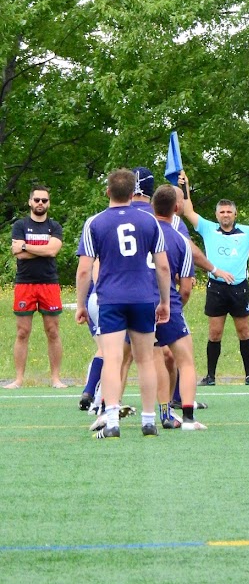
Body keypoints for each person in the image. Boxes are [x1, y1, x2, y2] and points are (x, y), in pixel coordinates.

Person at [75, 168, 171, 439]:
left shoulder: (94, 222)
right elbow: (162, 267)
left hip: (111, 299)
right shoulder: (149, 222)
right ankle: (149, 419)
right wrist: (164, 301)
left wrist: (81, 304)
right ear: (133, 194)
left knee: (113, 359)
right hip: (142, 297)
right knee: (145, 361)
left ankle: (113, 418)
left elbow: (84, 270)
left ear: (107, 192)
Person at [179, 171, 249, 386]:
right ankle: (210, 376)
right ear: (217, 214)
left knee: (244, 331)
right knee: (215, 333)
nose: (226, 215)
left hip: (239, 289)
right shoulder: (207, 228)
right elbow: (188, 210)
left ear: (235, 214)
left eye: (229, 211)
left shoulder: (247, 233)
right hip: (216, 288)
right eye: (222, 212)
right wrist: (185, 185)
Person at [151, 183, 206, 431]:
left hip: (139, 301)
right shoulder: (180, 241)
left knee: (147, 358)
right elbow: (185, 288)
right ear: (176, 208)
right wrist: (175, 306)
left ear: (153, 205)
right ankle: (188, 417)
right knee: (185, 360)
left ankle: (110, 410)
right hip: (168, 304)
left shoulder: (143, 231)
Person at [6, 186, 66, 389]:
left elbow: (53, 251)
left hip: (49, 283)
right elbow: (18, 254)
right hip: (25, 284)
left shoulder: (54, 226)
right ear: (30, 202)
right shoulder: (20, 225)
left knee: (53, 331)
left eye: (44, 200)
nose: (40, 203)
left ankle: (56, 378)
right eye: (37, 200)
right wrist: (42, 250)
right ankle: (19, 379)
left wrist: (26, 246)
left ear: (48, 203)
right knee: (22, 332)